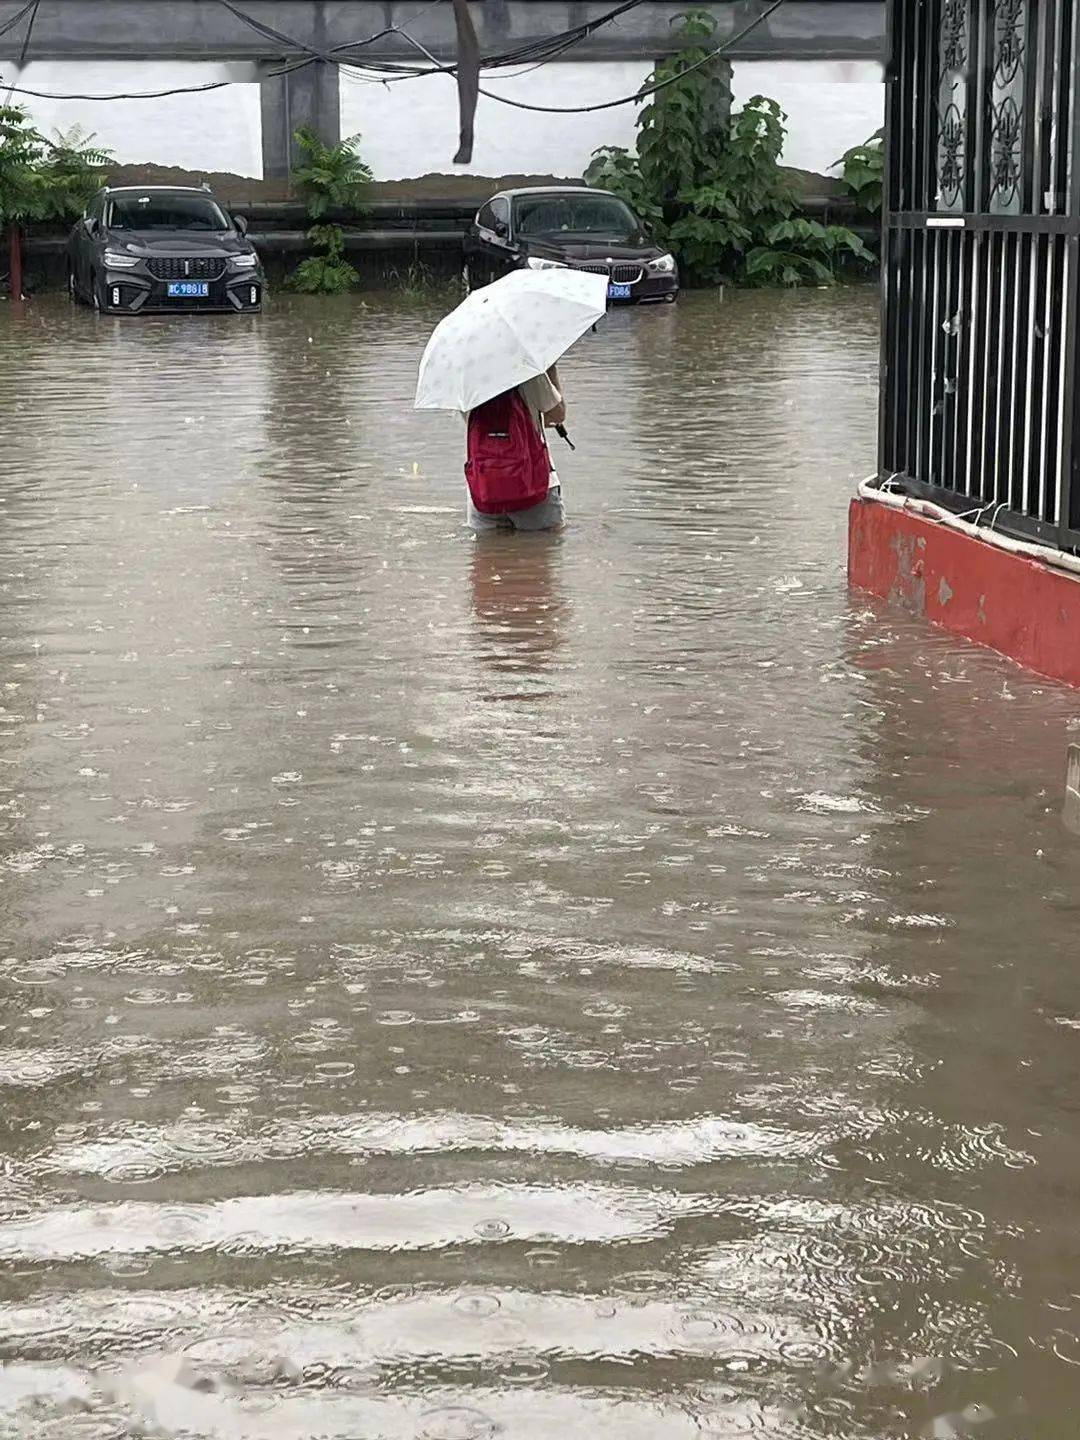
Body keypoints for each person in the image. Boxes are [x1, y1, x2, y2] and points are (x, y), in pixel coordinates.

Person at [467, 365, 567, 533]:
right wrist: (551, 371)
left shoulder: (465, 379)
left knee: (489, 556)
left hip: (484, 487)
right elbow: (556, 415)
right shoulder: (526, 369)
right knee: (542, 551)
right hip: (534, 488)